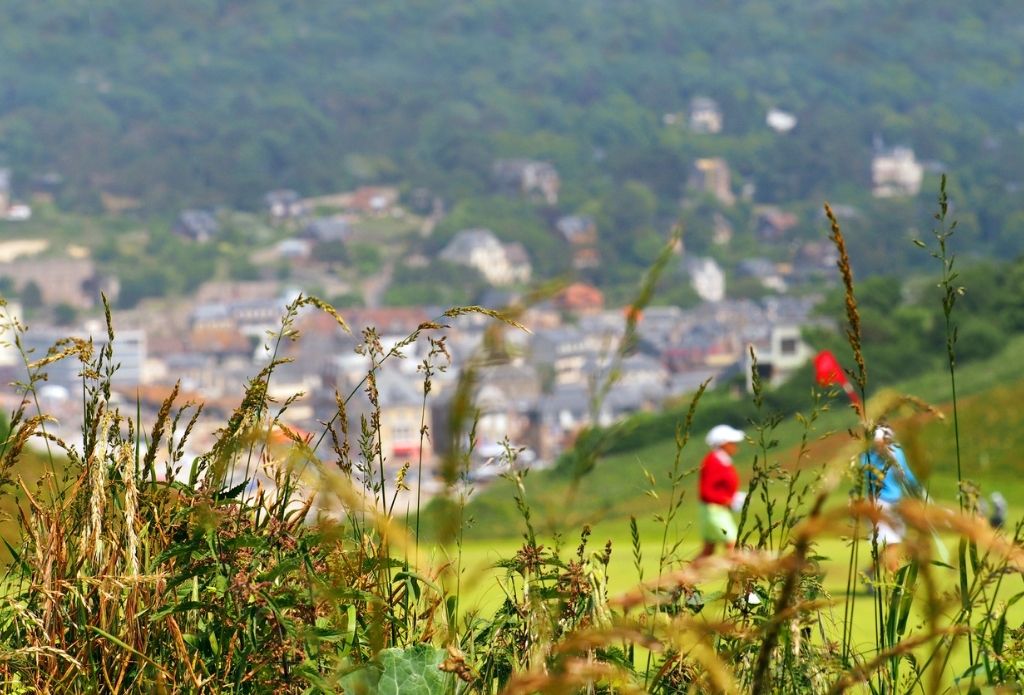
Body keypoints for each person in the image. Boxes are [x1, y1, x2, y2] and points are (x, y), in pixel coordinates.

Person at [860, 425, 922, 572]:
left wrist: (916, 487)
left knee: (894, 543)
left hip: (896, 504)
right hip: (878, 503)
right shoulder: (868, 456)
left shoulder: (897, 452)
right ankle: (896, 586)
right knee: (892, 543)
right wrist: (882, 456)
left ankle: (870, 571)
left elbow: (906, 474)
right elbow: (868, 475)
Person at [697, 424, 746, 559]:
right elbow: (706, 491)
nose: (736, 446)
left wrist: (733, 498)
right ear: (723, 443)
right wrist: (727, 500)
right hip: (714, 510)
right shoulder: (714, 460)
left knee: (708, 550)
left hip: (716, 510)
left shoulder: (722, 460)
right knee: (733, 546)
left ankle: (682, 580)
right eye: (733, 443)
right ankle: (737, 580)